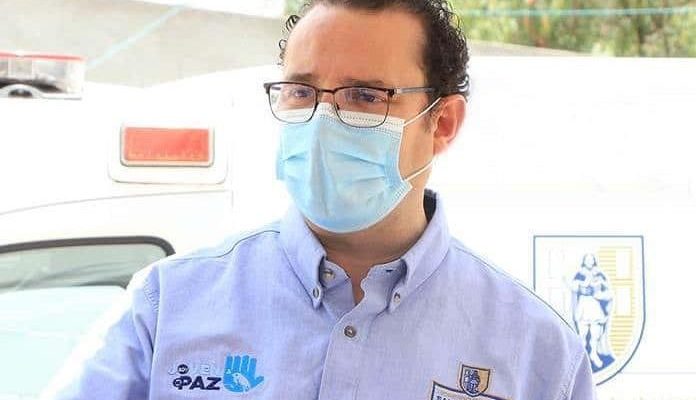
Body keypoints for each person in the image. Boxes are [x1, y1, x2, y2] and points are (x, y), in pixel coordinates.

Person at [51, 1, 596, 399]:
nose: (322, 120)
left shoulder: (539, 353)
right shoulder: (167, 306)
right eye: (302, 91)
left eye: (365, 95)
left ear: (443, 123)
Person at [570, 253, 615, 371]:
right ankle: (581, 358)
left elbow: (608, 292)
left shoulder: (599, 275)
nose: (589, 262)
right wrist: (584, 283)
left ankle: (593, 354)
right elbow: (574, 288)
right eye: (587, 260)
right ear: (584, 261)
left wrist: (600, 293)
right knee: (583, 333)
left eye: (591, 260)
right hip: (584, 305)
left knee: (595, 332)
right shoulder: (580, 274)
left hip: (594, 305)